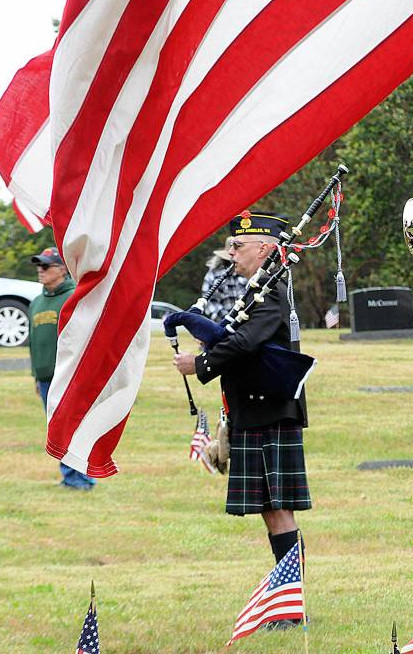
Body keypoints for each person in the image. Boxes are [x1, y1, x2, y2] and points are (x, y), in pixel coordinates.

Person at [173, 211, 310, 626]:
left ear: (266, 248)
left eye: (239, 246)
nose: (232, 253)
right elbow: (234, 336)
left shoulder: (270, 293)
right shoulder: (254, 291)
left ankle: (291, 608)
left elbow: (246, 343)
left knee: (280, 508)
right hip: (254, 408)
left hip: (270, 409)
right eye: (231, 246)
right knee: (272, 509)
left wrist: (200, 364)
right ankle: (287, 605)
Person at [28, 247, 95, 490]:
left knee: (72, 427)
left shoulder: (72, 298)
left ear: (62, 269)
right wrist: (36, 375)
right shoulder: (36, 302)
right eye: (38, 266)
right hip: (46, 377)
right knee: (57, 429)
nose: (40, 270)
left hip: (69, 376)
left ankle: (81, 479)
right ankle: (71, 477)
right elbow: (33, 342)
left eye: (46, 266)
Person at [202, 236, 248, 322]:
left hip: (247, 321)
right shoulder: (214, 274)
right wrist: (225, 319)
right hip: (222, 324)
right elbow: (210, 302)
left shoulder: (248, 272)